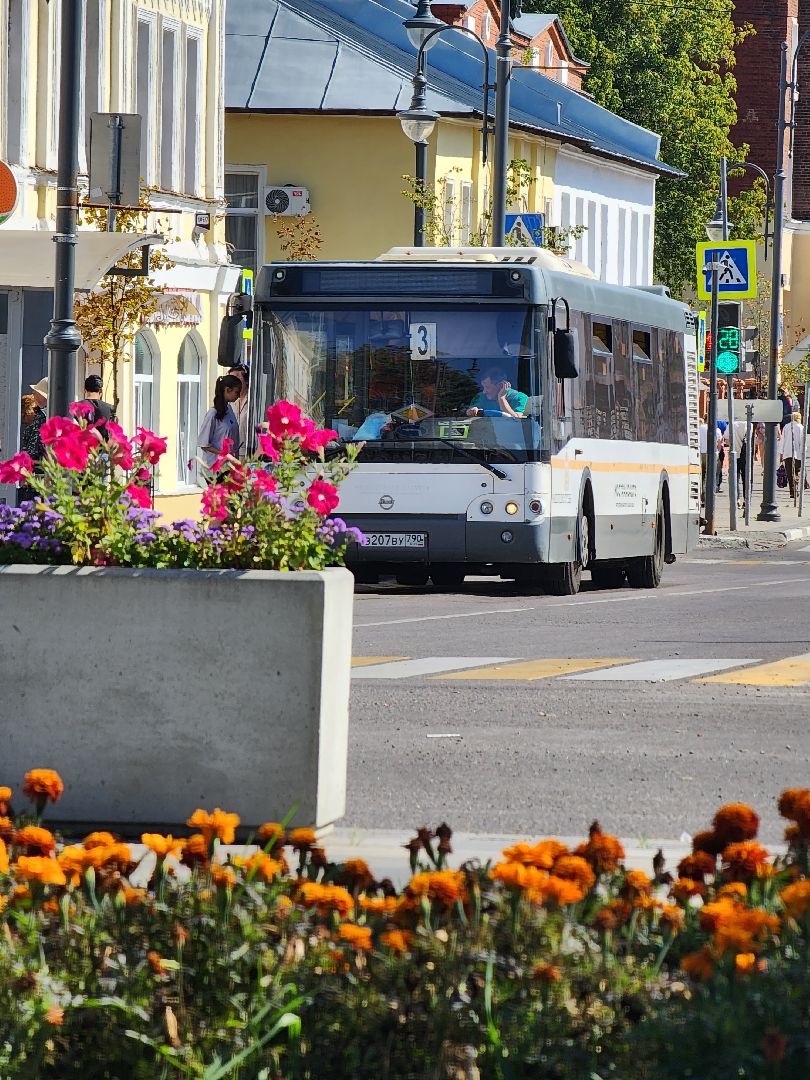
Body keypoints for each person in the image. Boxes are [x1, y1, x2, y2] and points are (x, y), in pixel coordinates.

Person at [198, 373, 242, 470]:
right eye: (236, 392)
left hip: (229, 466)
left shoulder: (229, 409)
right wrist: (224, 453)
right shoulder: (213, 413)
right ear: (227, 390)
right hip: (215, 466)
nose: (238, 396)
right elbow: (203, 444)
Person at [18, 382, 48, 503]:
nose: (34, 395)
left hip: (37, 475)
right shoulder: (45, 415)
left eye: (36, 392)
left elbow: (33, 449)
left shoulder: (40, 418)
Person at [779, 410, 805, 500]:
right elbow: (803, 442)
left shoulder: (786, 427)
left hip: (787, 453)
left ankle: (792, 491)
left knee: (789, 473)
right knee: (796, 471)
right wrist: (803, 452)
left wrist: (781, 453)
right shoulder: (801, 427)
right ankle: (795, 486)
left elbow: (782, 441)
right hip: (797, 454)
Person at [227, 364, 250, 458]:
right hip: (234, 457)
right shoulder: (232, 404)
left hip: (249, 456)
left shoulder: (253, 402)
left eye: (237, 378)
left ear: (247, 381)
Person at [82, 374, 114, 439]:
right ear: (101, 391)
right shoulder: (110, 408)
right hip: (103, 447)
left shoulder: (77, 407)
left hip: (82, 446)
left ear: (85, 390)